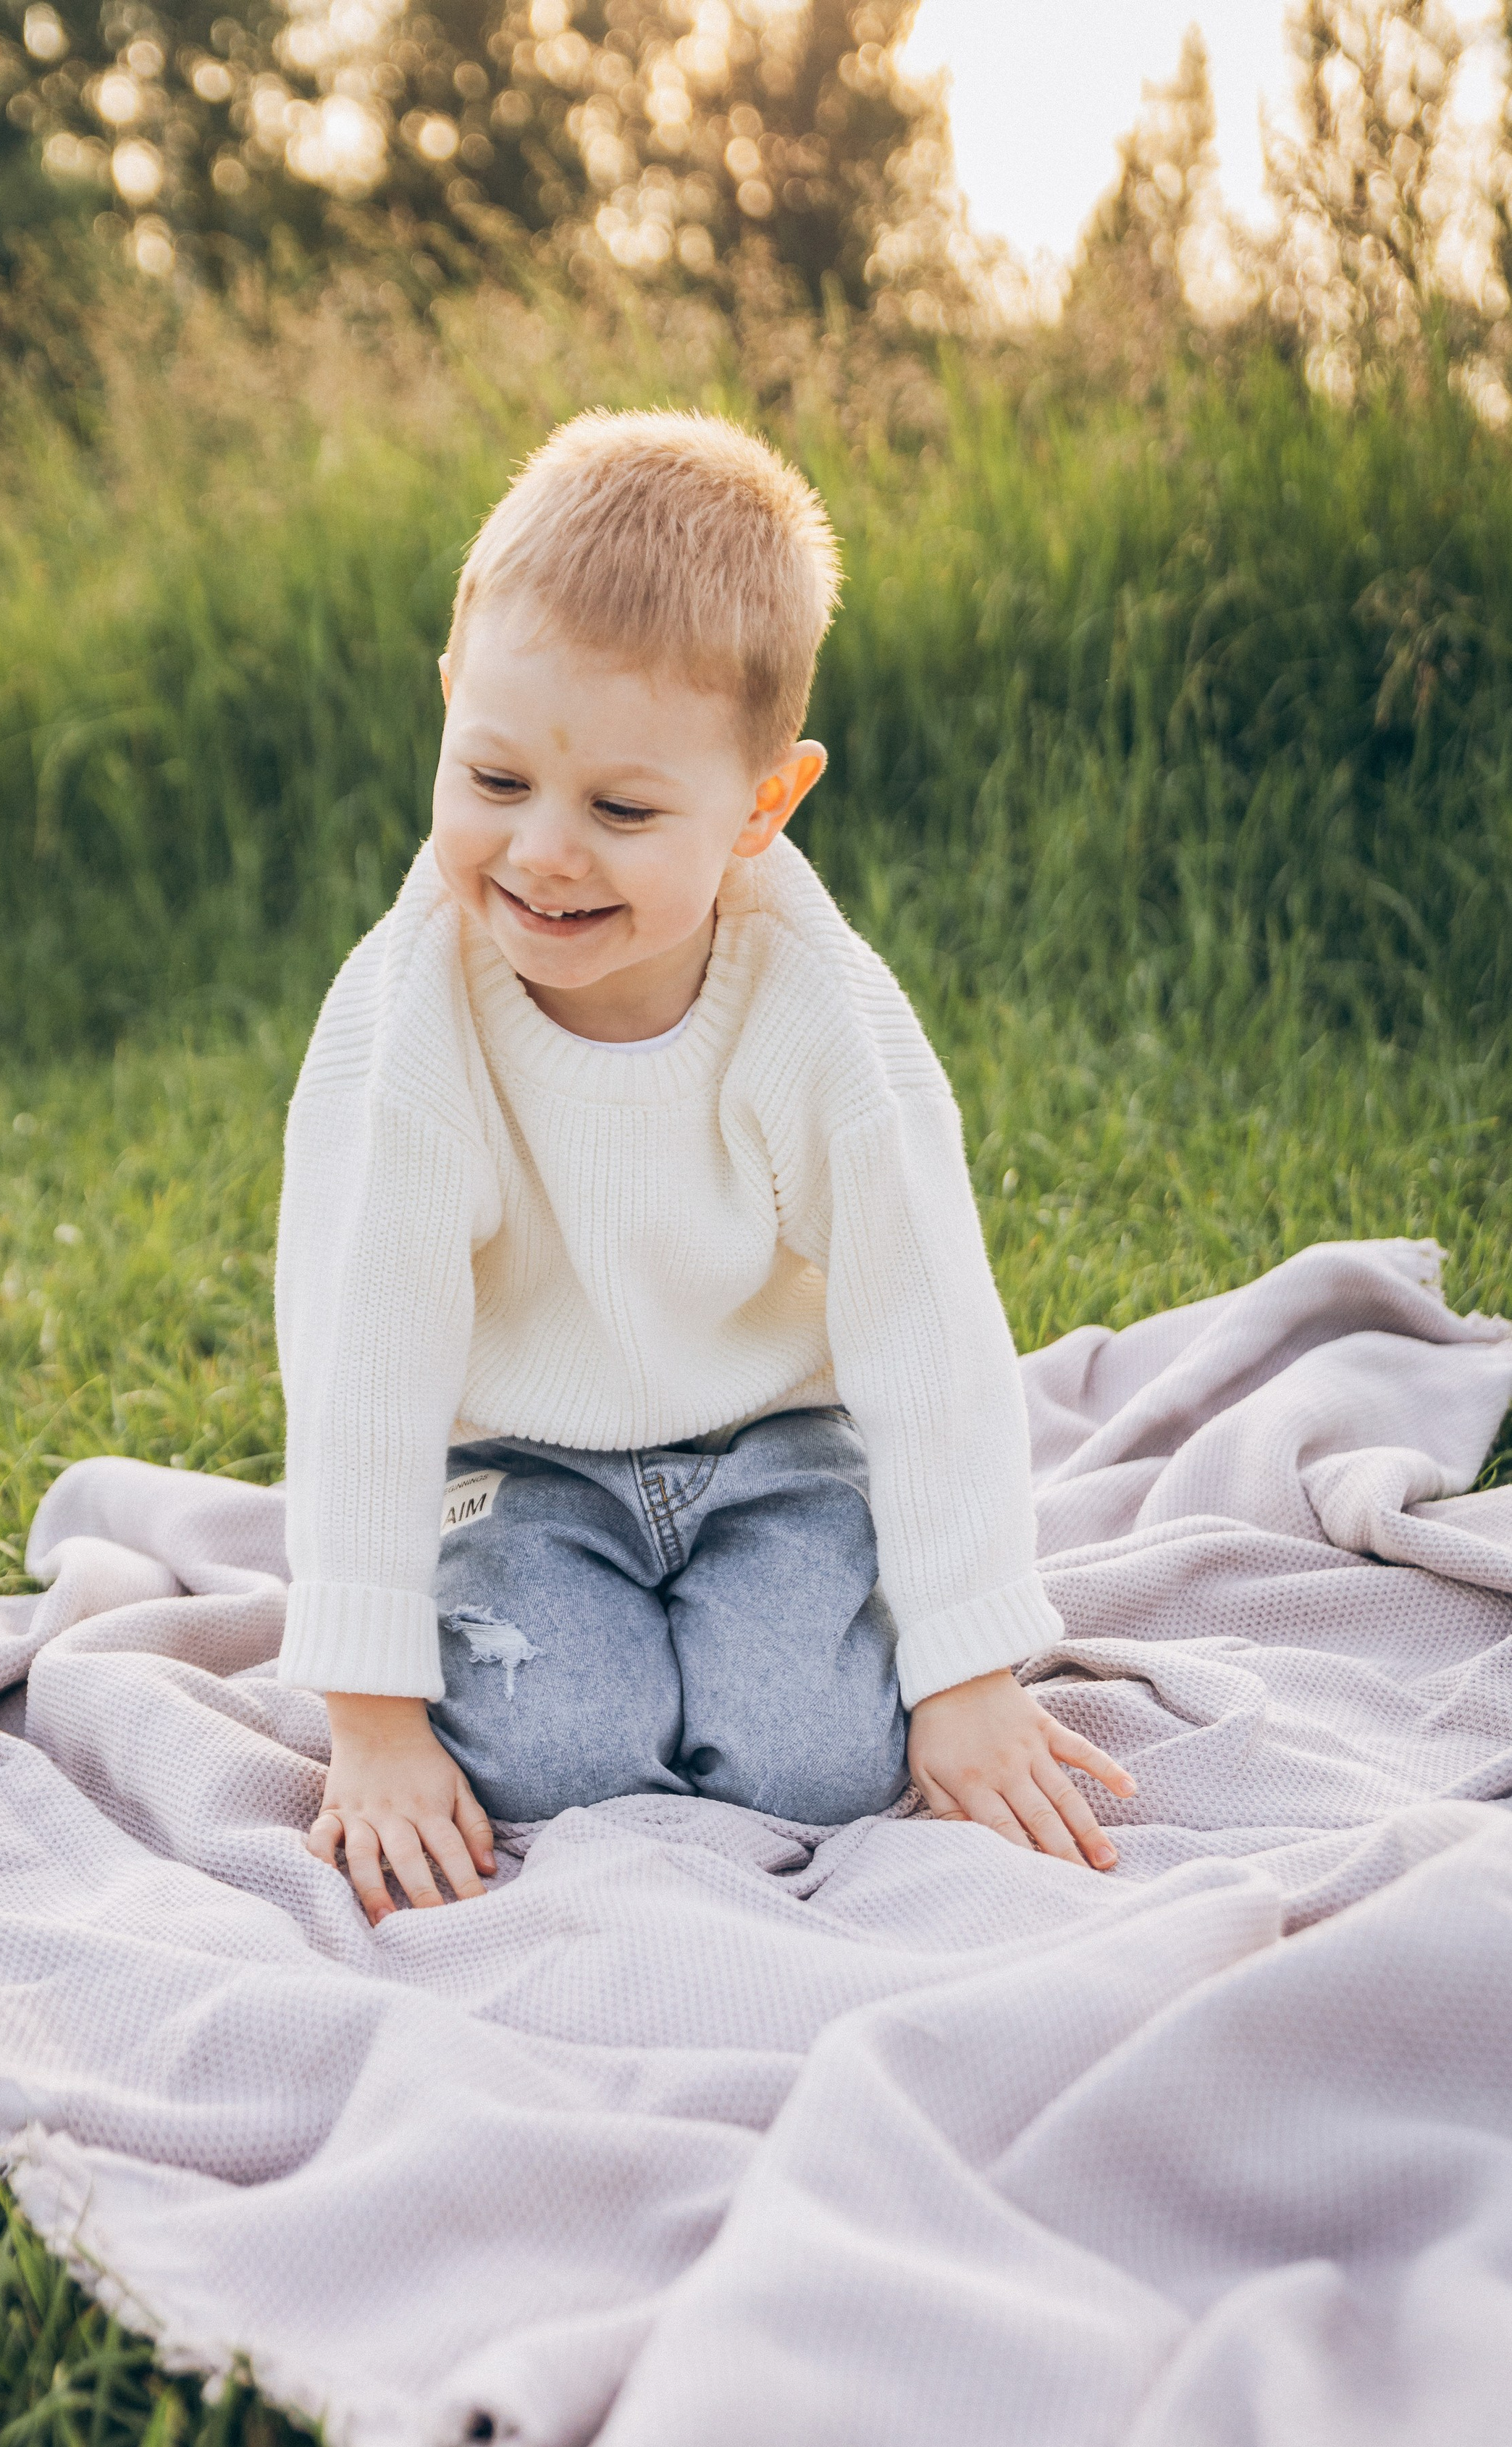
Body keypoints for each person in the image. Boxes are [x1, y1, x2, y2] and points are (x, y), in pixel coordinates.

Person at [274, 408, 1133, 1923]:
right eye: (493, 780)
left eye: (621, 810)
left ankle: (794, 1644)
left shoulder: (810, 1009)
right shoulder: (416, 1022)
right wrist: (372, 1717)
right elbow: (364, 1362)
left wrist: (966, 1668)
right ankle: (574, 1661)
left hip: (775, 1448)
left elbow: (924, 1324)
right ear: (450, 701)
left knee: (823, 1756)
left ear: (760, 806)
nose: (545, 852)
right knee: (543, 1754)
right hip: (521, 1468)